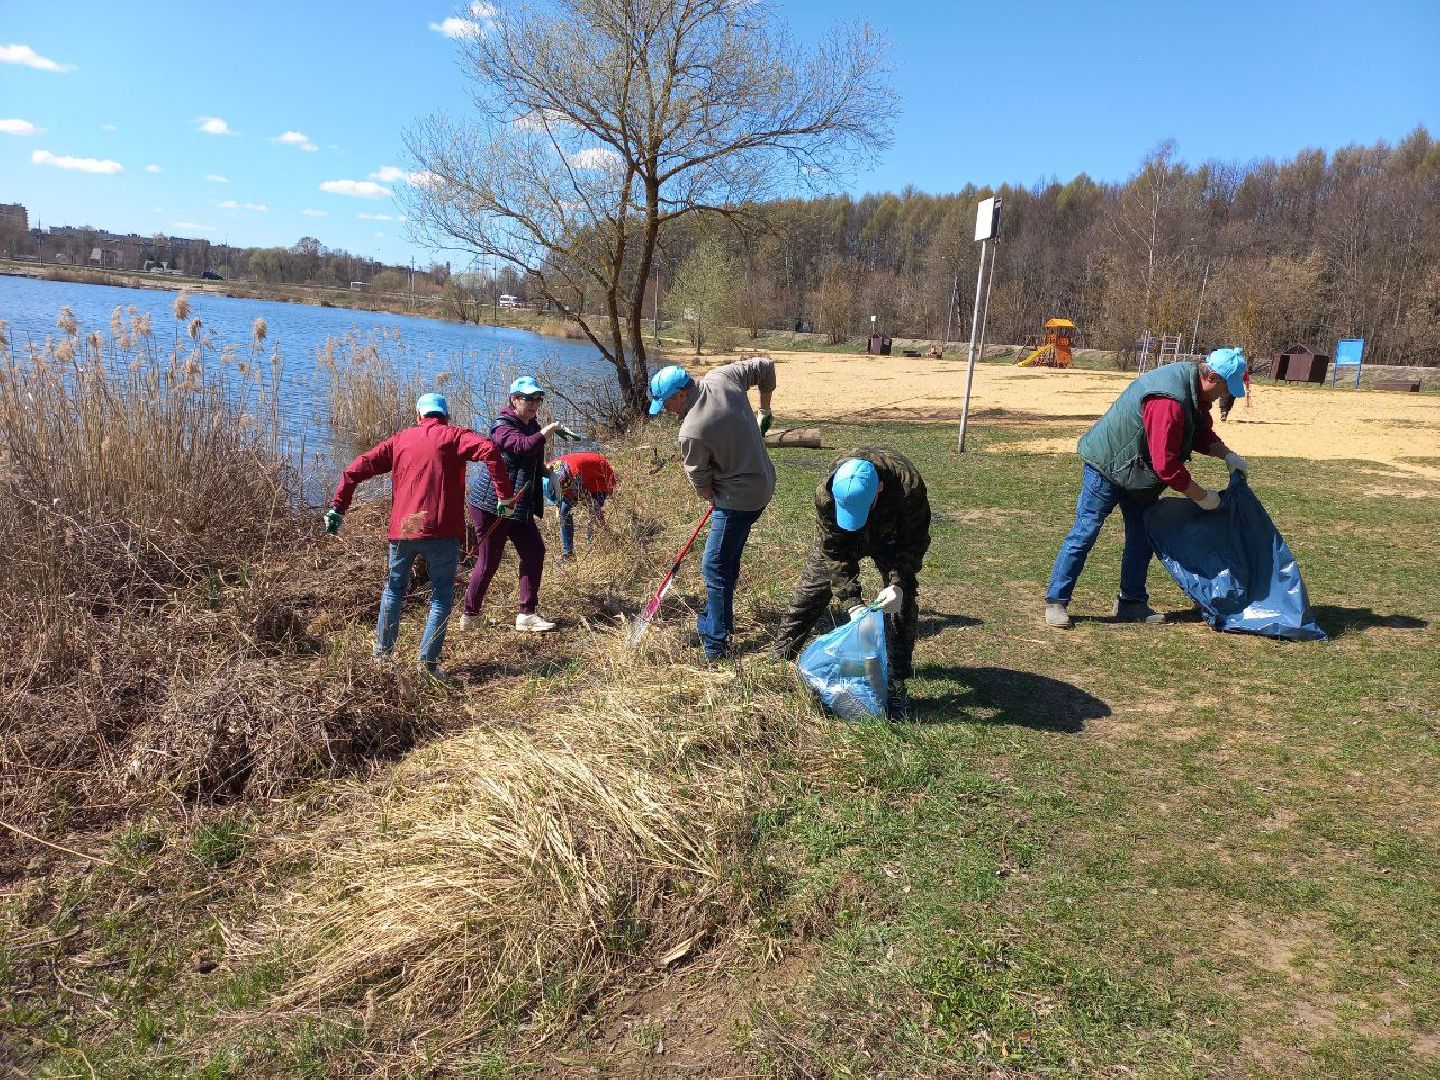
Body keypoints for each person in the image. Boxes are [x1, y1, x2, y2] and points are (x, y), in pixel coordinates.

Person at [1044, 348, 1251, 628]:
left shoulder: (1195, 393)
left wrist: (1227, 454)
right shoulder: (1170, 400)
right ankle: (1057, 601)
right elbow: (1166, 465)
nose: (1224, 396)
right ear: (1213, 376)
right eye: (1226, 388)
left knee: (1142, 536)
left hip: (1140, 471)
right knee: (1085, 530)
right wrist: (1202, 497)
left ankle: (1131, 602)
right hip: (1108, 464)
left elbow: (1200, 433)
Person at [325, 392, 513, 676]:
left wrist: (338, 507)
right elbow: (489, 449)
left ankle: (381, 658)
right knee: (441, 596)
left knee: (394, 592)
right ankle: (427, 665)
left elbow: (354, 470)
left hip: (403, 531)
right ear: (446, 416)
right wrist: (504, 495)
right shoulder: (454, 436)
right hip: (442, 531)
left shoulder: (399, 440)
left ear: (418, 416)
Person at [773, 449, 931, 719]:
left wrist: (898, 583)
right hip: (842, 539)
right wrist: (853, 603)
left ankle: (896, 680)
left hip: (890, 537)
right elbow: (834, 554)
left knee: (902, 605)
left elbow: (913, 540)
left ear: (879, 489)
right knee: (809, 594)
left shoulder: (908, 487)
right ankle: (778, 661)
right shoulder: (826, 494)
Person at [649, 358, 776, 660]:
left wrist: (714, 498)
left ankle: (716, 644)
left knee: (714, 565)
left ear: (680, 394)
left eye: (665, 403)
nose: (666, 411)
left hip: (737, 501)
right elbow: (766, 366)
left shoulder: (691, 431)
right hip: (764, 486)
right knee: (725, 560)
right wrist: (765, 410)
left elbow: (702, 485)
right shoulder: (723, 376)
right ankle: (713, 620)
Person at [461, 376, 562, 633]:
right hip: (492, 504)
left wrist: (548, 472)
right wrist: (546, 433)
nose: (534, 404)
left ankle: (526, 614)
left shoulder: (532, 424)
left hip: (518, 505)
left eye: (538, 398)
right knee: (488, 561)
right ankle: (470, 616)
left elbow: (531, 461)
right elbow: (521, 447)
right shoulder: (502, 426)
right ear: (514, 399)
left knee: (534, 552)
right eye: (528, 399)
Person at [544, 450, 618, 559]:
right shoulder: (549, 470)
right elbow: (558, 496)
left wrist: (599, 515)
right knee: (564, 511)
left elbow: (591, 505)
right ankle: (568, 553)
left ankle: (591, 550)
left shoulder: (575, 478)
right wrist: (558, 503)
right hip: (578, 473)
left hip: (600, 474)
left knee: (593, 513)